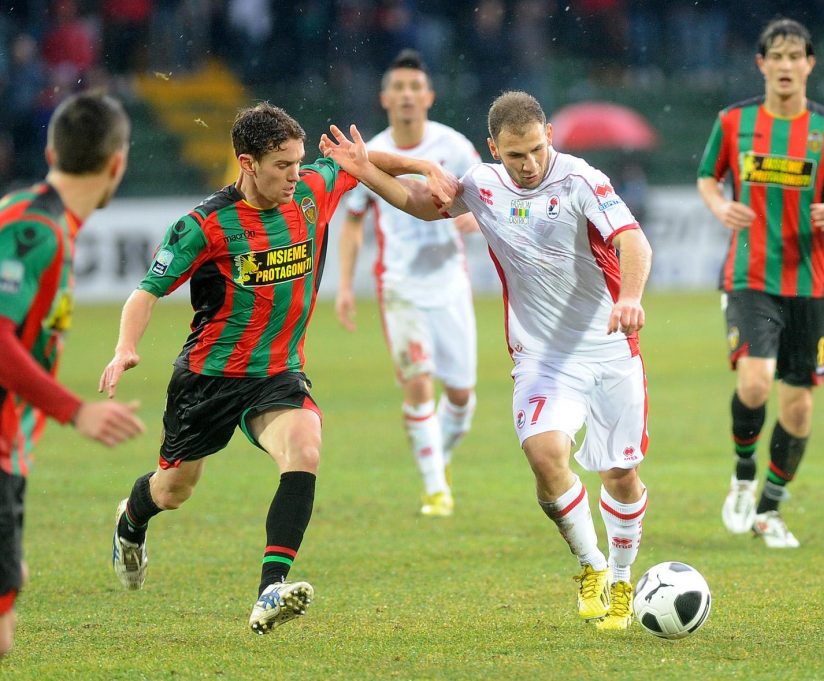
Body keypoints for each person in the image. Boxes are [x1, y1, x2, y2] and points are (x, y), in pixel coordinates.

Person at [99, 102, 451, 635]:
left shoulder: (309, 192)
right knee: (175, 489)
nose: (295, 175)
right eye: (282, 165)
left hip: (278, 371)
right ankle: (132, 520)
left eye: (298, 162)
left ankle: (270, 589)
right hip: (209, 378)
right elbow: (146, 291)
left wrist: (423, 167)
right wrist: (126, 346)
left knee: (305, 447)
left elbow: (354, 161)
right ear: (247, 162)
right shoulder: (204, 224)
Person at [320, 90, 653, 631]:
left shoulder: (582, 180)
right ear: (493, 147)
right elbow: (419, 205)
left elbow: (634, 243)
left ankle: (622, 572)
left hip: (611, 349)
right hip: (543, 358)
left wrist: (630, 296)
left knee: (621, 474)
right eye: (515, 154)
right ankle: (592, 566)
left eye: (538, 150)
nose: (528, 165)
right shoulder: (481, 184)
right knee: (546, 458)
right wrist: (363, 172)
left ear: (550, 137)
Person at [697, 18, 824, 549]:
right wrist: (719, 204)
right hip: (749, 276)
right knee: (754, 383)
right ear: (761, 64)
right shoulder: (733, 122)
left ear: (810, 65)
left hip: (808, 284)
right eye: (776, 55)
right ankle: (744, 471)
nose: (786, 65)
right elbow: (707, 175)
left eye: (795, 56)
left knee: (798, 407)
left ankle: (770, 509)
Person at [0, 91, 145, 657]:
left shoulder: (30, 217)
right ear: (117, 163)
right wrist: (75, 409)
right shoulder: (36, 232)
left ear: (49, 148)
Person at [336, 50, 480, 517]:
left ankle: (438, 461)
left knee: (461, 395)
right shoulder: (369, 151)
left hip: (449, 283)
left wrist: (474, 221)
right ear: (384, 98)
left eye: (414, 87)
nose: (406, 95)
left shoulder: (454, 146)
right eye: (398, 87)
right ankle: (436, 490)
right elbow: (354, 222)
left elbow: (488, 197)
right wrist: (342, 286)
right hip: (399, 286)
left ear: (429, 97)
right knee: (418, 384)